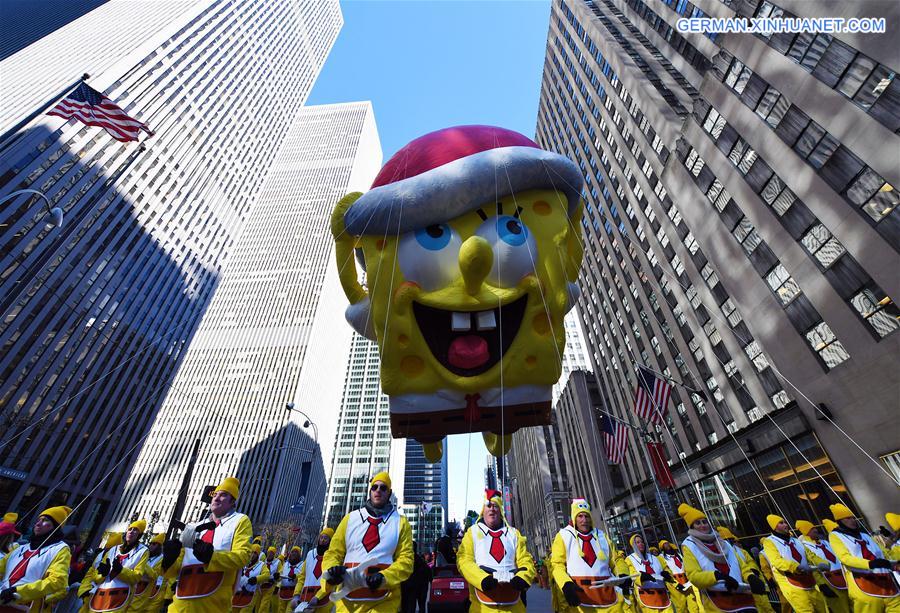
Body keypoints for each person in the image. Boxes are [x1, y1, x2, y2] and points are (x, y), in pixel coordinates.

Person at [321, 471, 414, 612]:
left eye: (383, 488)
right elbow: (334, 553)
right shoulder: (350, 519)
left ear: (389, 493)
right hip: (347, 605)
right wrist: (331, 571)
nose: (378, 490)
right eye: (374, 487)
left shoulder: (401, 523)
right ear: (370, 491)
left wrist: (384, 577)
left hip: (384, 604)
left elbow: (406, 561)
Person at [162, 476, 253, 612]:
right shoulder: (194, 527)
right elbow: (174, 570)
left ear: (232, 501)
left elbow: (243, 556)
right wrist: (169, 560)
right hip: (179, 606)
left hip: (214, 606)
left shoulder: (241, 521)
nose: (216, 498)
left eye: (223, 495)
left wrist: (212, 557)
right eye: (215, 495)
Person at [458, 489, 534, 613]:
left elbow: (525, 560)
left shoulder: (514, 534)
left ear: (501, 510)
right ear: (483, 510)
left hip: (513, 607)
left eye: (496, 506)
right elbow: (464, 560)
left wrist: (523, 577)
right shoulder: (472, 533)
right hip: (482, 607)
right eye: (488, 505)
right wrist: (481, 579)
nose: (492, 509)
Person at [549, 499, 625, 613]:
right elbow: (557, 565)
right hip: (580, 599)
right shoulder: (564, 535)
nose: (584, 520)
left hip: (608, 599)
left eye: (587, 516)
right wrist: (566, 584)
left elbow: (616, 560)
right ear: (574, 518)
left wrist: (623, 575)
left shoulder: (602, 536)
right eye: (580, 516)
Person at [678, 503, 754, 613]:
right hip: (717, 602)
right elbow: (694, 576)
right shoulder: (689, 545)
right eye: (697, 523)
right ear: (692, 527)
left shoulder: (723, 542)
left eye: (705, 522)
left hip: (742, 598)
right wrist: (717, 576)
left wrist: (750, 577)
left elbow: (742, 565)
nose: (703, 525)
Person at [827, 504, 899, 613]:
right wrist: (870, 564)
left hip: (888, 584)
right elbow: (845, 558)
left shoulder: (864, 534)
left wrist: (894, 561)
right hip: (864, 585)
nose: (852, 520)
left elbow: (883, 553)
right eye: (848, 518)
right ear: (840, 521)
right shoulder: (835, 536)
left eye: (853, 518)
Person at [0, 506, 73, 611]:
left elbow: (57, 581)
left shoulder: (60, 549)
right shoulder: (19, 548)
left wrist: (19, 591)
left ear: (55, 527)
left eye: (45, 521)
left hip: (25, 607)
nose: (38, 524)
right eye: (38, 520)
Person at [762, 514, 828, 613]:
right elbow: (776, 561)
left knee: (823, 609)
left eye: (785, 522)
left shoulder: (796, 541)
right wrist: (796, 567)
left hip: (809, 581)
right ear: (774, 527)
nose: (785, 524)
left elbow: (810, 555)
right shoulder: (769, 542)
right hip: (791, 584)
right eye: (781, 523)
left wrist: (822, 563)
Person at [88, 518, 149, 612]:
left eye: (135, 530)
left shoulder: (143, 551)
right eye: (130, 529)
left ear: (139, 535)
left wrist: (120, 570)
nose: (131, 532)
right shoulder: (113, 550)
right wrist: (102, 574)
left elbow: (137, 577)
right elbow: (95, 577)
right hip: (99, 597)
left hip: (119, 599)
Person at [715, 527, 774, 613]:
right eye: (727, 540)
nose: (731, 542)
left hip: (753, 583)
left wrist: (753, 572)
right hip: (741, 588)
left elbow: (750, 562)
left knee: (766, 608)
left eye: (731, 539)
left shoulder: (742, 551)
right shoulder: (721, 555)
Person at [795, 520, 849, 613]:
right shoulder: (804, 546)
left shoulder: (825, 542)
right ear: (806, 532)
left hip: (843, 578)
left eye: (815, 528)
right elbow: (812, 566)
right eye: (812, 529)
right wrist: (822, 585)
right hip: (828, 582)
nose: (816, 530)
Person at [622, 534, 673, 613]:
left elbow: (665, 568)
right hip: (647, 596)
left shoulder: (654, 558)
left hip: (662, 595)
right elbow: (632, 575)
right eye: (637, 542)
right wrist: (641, 577)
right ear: (633, 545)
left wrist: (667, 574)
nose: (641, 544)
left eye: (642, 542)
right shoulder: (630, 559)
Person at [290, 528, 334, 612]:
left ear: (330, 541)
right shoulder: (310, 554)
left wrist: (318, 596)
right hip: (305, 601)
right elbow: (302, 577)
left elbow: (331, 581)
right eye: (321, 537)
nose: (323, 540)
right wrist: (296, 595)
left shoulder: (333, 557)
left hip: (324, 601)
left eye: (326, 538)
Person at [657, 540, 699, 613]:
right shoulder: (661, 557)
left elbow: (686, 566)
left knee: (693, 603)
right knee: (681, 607)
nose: (667, 545)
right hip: (674, 583)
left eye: (667, 543)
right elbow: (665, 572)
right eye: (664, 544)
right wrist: (675, 584)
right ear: (662, 547)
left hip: (686, 582)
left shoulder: (678, 554)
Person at [233, 543, 270, 612]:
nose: (252, 555)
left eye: (255, 553)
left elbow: (267, 575)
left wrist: (256, 579)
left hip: (251, 595)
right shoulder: (244, 562)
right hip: (237, 594)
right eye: (251, 552)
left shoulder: (261, 565)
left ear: (258, 555)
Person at [401, 541, 432, 613]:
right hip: (422, 587)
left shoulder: (406, 561)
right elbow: (428, 572)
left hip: (411, 587)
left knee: (411, 606)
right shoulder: (421, 561)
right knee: (421, 606)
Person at [259, 545, 282, 613]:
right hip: (261, 585)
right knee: (258, 604)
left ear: (274, 554)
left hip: (271, 586)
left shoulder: (278, 562)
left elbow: (281, 572)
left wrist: (277, 577)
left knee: (264, 604)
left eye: (272, 553)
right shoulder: (263, 562)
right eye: (269, 552)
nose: (270, 554)